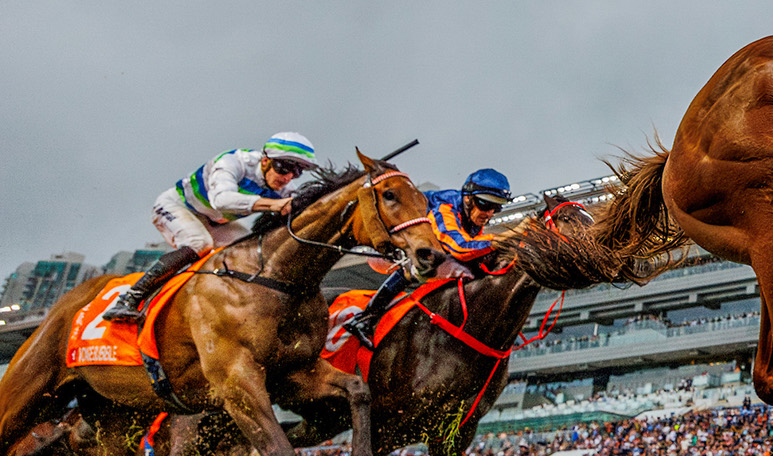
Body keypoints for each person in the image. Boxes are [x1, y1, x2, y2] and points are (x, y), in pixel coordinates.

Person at [104, 132, 318, 323]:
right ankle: (130, 298)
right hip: (176, 206)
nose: (287, 177)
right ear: (265, 161)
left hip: (217, 222)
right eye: (283, 168)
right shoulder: (233, 162)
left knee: (253, 251)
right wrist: (273, 205)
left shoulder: (285, 189)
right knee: (199, 243)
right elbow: (221, 200)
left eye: (296, 172)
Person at [348, 168, 513, 348]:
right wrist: (509, 236)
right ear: (467, 198)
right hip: (382, 251)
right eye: (485, 205)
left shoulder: (471, 215)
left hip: (414, 244)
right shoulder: (444, 207)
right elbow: (461, 248)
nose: (489, 213)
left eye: (496, 207)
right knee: (433, 261)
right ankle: (364, 319)